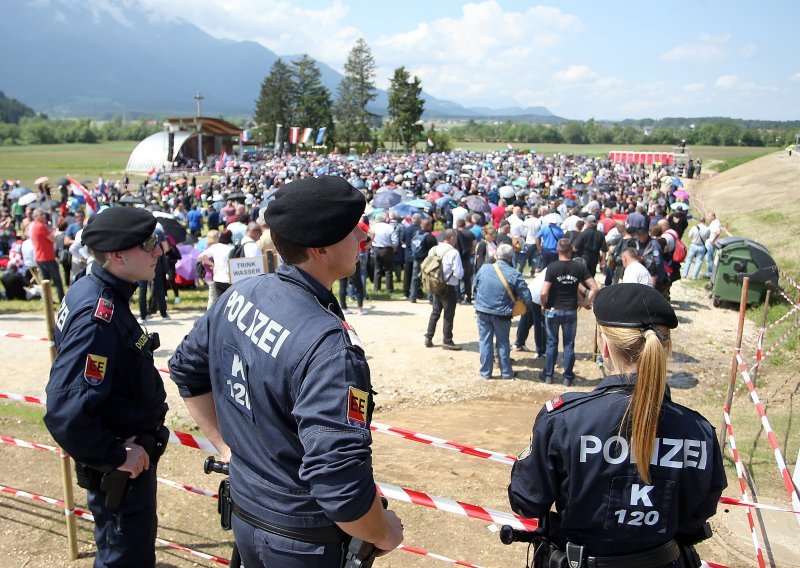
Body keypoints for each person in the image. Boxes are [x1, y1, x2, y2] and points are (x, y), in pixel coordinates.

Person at [168, 176, 403, 567]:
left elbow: (187, 372)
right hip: (302, 540)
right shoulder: (329, 347)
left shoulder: (241, 294)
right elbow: (339, 482)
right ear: (320, 248)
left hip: (249, 514)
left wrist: (228, 447)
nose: (363, 239)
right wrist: (383, 532)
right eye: (353, 231)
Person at [509, 284, 727, 568]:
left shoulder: (564, 420)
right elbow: (698, 514)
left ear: (605, 346)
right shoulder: (699, 431)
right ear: (665, 349)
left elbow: (526, 501)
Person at [43, 207, 169, 567]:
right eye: (149, 244)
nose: (159, 252)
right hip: (120, 469)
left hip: (127, 459)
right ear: (117, 256)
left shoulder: (93, 287)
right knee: (123, 557)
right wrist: (115, 456)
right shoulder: (98, 315)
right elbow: (65, 412)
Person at [539, 238, 598, 386]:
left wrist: (543, 304)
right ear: (571, 250)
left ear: (558, 250)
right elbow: (594, 287)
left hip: (553, 309)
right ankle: (567, 377)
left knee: (551, 343)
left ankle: (548, 375)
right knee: (569, 345)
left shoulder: (552, 268)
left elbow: (544, 291)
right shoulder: (579, 267)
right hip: (570, 310)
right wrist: (585, 302)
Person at [473, 243, 532, 379]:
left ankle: (485, 373)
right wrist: (526, 308)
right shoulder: (514, 274)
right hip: (503, 313)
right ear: (511, 257)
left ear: (496, 255)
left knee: (485, 341)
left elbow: (475, 286)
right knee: (503, 342)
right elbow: (526, 295)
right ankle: (506, 372)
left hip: (483, 310)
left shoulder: (485, 269)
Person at [424, 229, 464, 350]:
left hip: (435, 283)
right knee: (448, 313)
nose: (456, 241)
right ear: (452, 238)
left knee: (435, 311)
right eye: (455, 238)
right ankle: (447, 340)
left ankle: (428, 337)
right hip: (449, 286)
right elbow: (459, 273)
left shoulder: (433, 249)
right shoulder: (454, 252)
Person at [30, 208, 65, 301]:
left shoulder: (33, 225)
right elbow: (53, 240)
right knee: (57, 281)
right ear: (36, 216)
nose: (43, 216)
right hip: (47, 257)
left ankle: (47, 300)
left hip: (39, 257)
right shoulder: (41, 226)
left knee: (45, 281)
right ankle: (62, 299)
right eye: (41, 214)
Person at [199, 229, 234, 301]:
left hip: (218, 278)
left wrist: (213, 264)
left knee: (219, 301)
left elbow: (201, 257)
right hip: (229, 278)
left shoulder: (215, 247)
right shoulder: (232, 248)